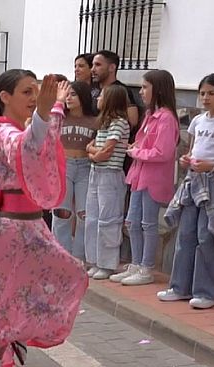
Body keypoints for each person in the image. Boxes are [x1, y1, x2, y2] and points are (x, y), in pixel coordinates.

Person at [0, 71, 87, 367]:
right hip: (14, 229)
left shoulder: (19, 127)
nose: (34, 97)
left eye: (37, 91)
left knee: (45, 281)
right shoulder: (2, 131)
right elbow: (25, 149)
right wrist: (47, 112)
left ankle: (13, 335)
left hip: (28, 225)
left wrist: (54, 109)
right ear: (5, 97)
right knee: (4, 294)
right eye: (26, 92)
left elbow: (43, 142)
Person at [159, 73, 214, 310]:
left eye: (211, 93)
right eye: (202, 93)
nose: (205, 98)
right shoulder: (198, 121)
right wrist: (187, 161)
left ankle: (208, 292)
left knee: (208, 236)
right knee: (185, 234)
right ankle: (180, 287)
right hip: (193, 182)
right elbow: (191, 150)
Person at [111, 70, 179, 286]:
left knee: (148, 223)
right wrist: (136, 148)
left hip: (153, 179)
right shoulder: (150, 115)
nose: (141, 92)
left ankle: (146, 267)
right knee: (132, 222)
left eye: (145, 87)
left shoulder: (166, 118)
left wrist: (135, 152)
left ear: (157, 89)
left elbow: (163, 152)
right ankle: (136, 263)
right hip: (139, 176)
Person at [85, 85, 130, 279]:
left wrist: (93, 154)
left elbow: (105, 152)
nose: (98, 98)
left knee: (108, 219)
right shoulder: (104, 123)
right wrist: (95, 153)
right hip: (97, 173)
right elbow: (92, 147)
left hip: (110, 174)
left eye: (102, 95)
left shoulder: (119, 123)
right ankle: (94, 260)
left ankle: (107, 263)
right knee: (92, 219)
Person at [52, 80, 98, 260]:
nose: (69, 98)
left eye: (73, 94)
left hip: (85, 167)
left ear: (83, 97)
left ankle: (79, 256)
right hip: (63, 165)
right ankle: (61, 254)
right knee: (62, 212)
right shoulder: (59, 116)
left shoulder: (94, 120)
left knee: (84, 213)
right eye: (67, 94)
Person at [91, 50, 140, 131]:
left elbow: (133, 122)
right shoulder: (92, 88)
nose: (92, 69)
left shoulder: (122, 90)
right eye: (92, 65)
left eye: (98, 65)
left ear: (112, 67)